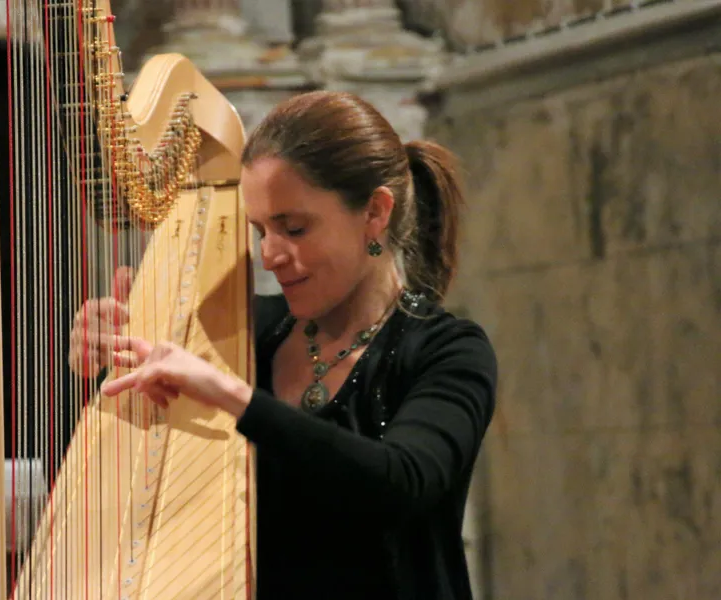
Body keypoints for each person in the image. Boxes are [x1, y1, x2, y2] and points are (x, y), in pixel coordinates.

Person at [69, 90, 497, 600]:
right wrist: (103, 363)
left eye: (293, 228)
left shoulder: (447, 351)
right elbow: (142, 473)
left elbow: (397, 484)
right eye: (260, 231)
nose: (270, 255)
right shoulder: (243, 333)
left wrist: (234, 396)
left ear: (375, 213)